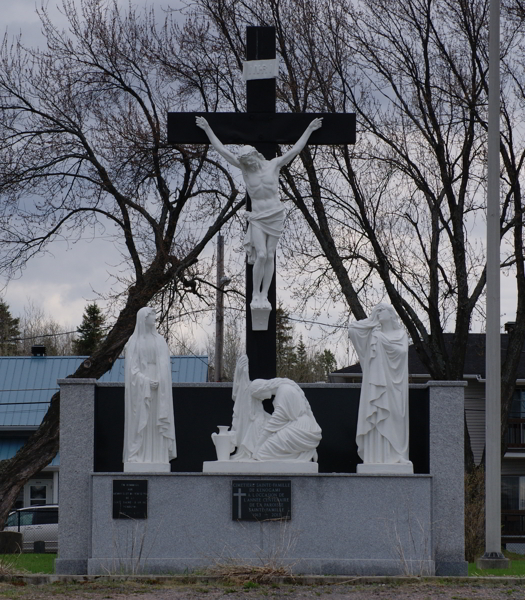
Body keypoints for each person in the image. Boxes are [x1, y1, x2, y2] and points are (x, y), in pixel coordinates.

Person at [196, 116, 322, 309]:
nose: (249, 165)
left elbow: (296, 149)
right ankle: (255, 294)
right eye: (245, 162)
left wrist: (310, 129)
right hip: (257, 217)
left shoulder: (274, 165)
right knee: (261, 255)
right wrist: (207, 129)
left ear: (255, 155)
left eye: (249, 161)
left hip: (275, 214)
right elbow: (222, 151)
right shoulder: (246, 170)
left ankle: (265, 295)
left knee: (270, 254)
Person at [348, 304, 411, 466]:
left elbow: (402, 352)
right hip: (376, 384)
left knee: (396, 418)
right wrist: (370, 322)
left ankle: (397, 454)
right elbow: (353, 329)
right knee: (377, 415)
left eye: (380, 310)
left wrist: (382, 340)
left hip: (395, 385)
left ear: (391, 314)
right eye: (375, 311)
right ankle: (375, 457)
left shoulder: (400, 334)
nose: (377, 313)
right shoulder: (373, 334)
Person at [229, 355, 322, 461]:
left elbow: (278, 419)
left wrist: (259, 444)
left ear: (262, 390)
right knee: (265, 445)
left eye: (259, 397)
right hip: (299, 426)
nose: (262, 399)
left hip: (300, 429)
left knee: (262, 453)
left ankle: (304, 451)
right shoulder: (284, 389)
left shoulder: (284, 391)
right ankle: (303, 451)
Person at [123, 307, 176, 466]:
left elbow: (165, 365)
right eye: (151, 315)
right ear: (143, 319)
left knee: (156, 421)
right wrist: (146, 381)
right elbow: (132, 370)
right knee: (142, 421)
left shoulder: (159, 340)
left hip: (160, 387)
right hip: (142, 387)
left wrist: (160, 381)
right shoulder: (134, 342)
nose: (154, 318)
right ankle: (139, 454)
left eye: (154, 314)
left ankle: (157, 456)